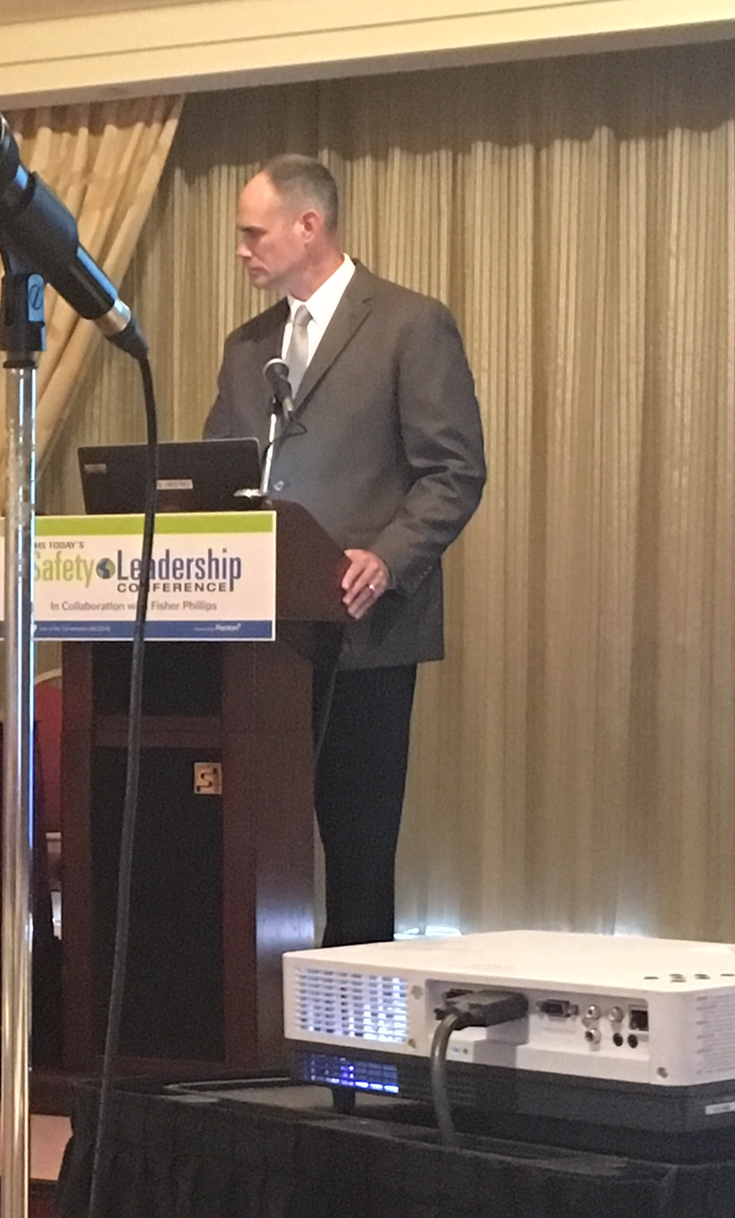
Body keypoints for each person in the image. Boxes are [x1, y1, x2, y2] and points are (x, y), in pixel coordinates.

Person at [203, 155, 486, 946]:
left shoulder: (407, 323)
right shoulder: (246, 346)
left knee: (358, 852)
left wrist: (387, 557)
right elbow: (218, 469)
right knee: (251, 845)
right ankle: (258, 1034)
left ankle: (356, 1051)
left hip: (364, 632)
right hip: (258, 637)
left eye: (253, 233)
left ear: (308, 226)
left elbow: (454, 471)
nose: (242, 250)